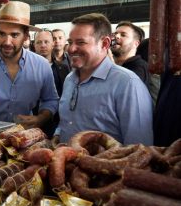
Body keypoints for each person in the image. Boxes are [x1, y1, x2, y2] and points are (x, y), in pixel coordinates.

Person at [55, 13, 153, 145]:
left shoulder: (128, 84)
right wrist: (58, 134)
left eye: (81, 42)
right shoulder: (69, 80)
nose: (71, 49)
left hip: (106, 165)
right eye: (70, 42)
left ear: (104, 43)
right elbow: (67, 120)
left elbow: (140, 148)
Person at [0, 1, 59, 130]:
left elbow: (50, 100)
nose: (7, 42)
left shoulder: (42, 66)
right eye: (2, 34)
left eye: (14, 35)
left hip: (23, 138)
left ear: (25, 36)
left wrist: (41, 118)